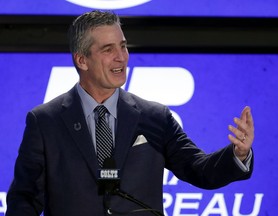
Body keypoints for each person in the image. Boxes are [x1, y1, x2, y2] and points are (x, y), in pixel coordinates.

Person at [6, 10, 254, 216]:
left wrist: (238, 154)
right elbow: (24, 200)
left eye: (123, 46)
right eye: (108, 49)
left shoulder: (154, 117)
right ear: (82, 60)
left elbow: (199, 170)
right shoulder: (45, 121)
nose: (121, 57)